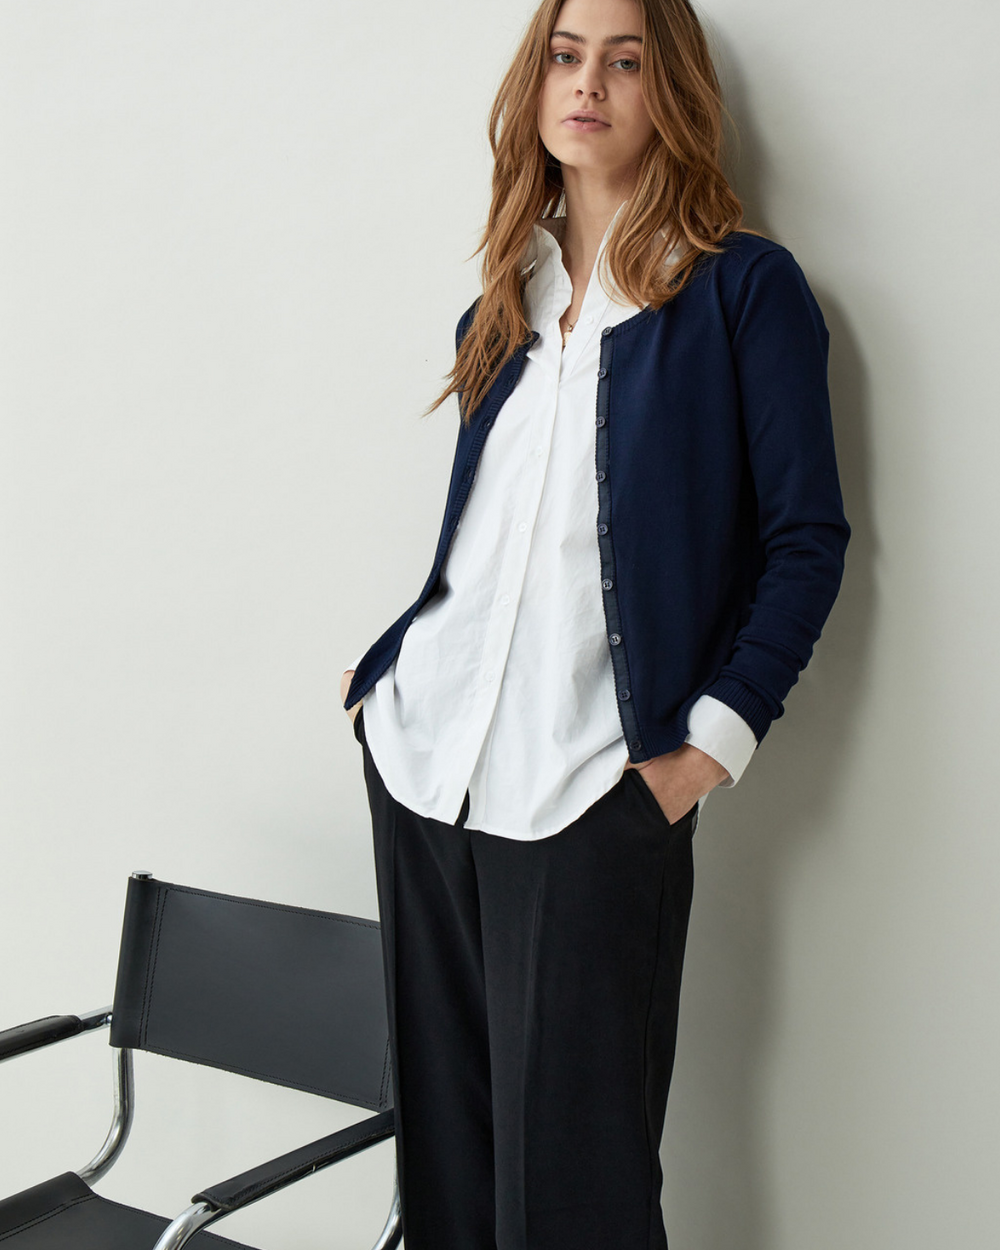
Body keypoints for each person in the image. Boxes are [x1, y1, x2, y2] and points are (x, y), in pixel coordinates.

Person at [340, 0, 850, 1246]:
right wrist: (386, 673)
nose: (589, 85)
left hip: (591, 794)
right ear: (535, 82)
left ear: (669, 90)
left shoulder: (743, 290)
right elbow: (493, 544)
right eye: (566, 57)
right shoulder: (498, 304)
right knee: (449, 1183)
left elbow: (806, 539)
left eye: (625, 61)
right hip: (426, 770)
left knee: (576, 1197)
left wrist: (703, 751)